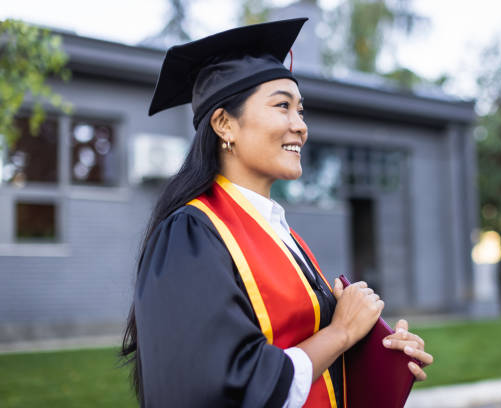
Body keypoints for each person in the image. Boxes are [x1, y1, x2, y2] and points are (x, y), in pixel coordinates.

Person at [121, 17, 433, 407]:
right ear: (224, 124)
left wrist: (374, 350)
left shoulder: (279, 235)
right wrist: (340, 333)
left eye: (301, 111)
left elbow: (298, 356)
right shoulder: (191, 235)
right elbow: (221, 386)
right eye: (282, 106)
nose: (300, 126)